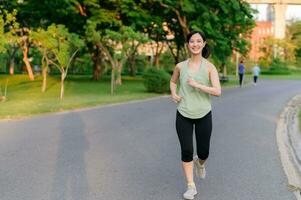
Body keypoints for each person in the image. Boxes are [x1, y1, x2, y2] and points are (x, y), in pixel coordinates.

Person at [170, 30, 221, 200]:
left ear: (203, 44)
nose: (195, 44)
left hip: (203, 114)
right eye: (192, 41)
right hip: (183, 113)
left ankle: (200, 163)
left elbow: (217, 91)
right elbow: (173, 81)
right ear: (188, 44)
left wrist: (198, 85)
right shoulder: (180, 66)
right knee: (186, 150)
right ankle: (191, 187)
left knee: (204, 152)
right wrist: (173, 93)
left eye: (199, 41)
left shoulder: (209, 67)